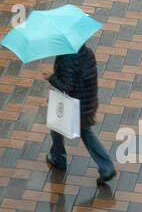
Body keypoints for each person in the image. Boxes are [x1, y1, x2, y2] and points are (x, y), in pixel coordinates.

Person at [45, 43, 116, 185]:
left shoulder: (67, 59)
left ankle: (105, 166)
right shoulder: (87, 52)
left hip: (76, 106)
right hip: (89, 102)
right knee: (79, 131)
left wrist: (52, 78)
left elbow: (68, 87)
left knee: (67, 130)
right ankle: (59, 157)